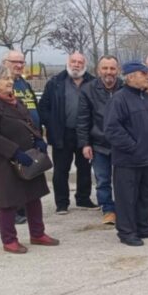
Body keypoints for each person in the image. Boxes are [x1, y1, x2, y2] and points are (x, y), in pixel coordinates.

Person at [0, 67, 59, 254]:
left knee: (33, 196)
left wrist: (38, 139)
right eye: (5, 79)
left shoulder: (16, 101)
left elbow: (29, 122)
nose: (10, 81)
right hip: (5, 161)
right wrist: (15, 152)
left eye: (10, 78)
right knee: (8, 201)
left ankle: (37, 233)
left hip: (29, 157)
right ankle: (9, 240)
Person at [104, 61, 148, 246]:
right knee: (127, 198)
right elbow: (112, 129)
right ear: (131, 76)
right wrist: (133, 146)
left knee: (146, 195)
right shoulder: (119, 99)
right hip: (128, 159)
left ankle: (145, 227)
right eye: (143, 73)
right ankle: (127, 232)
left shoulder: (147, 98)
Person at [0, 49, 39, 225]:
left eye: (21, 62)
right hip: (8, 148)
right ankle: (12, 221)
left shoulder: (24, 84)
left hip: (27, 144)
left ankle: (34, 228)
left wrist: (37, 134)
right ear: (5, 63)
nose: (19, 65)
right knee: (9, 189)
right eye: (14, 62)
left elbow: (31, 108)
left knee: (30, 187)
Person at [38, 51, 95, 214]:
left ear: (85, 65)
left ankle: (83, 199)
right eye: (73, 61)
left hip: (85, 134)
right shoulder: (55, 82)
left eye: (80, 62)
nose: (76, 65)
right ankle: (62, 203)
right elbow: (44, 107)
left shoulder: (92, 82)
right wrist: (53, 124)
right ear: (68, 63)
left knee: (84, 168)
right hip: (61, 134)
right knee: (61, 170)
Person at [78, 55, 123, 226]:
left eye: (112, 68)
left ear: (117, 70)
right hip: (98, 144)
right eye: (105, 68)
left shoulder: (125, 88)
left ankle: (123, 208)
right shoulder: (88, 90)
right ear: (98, 70)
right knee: (103, 180)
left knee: (122, 180)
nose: (108, 72)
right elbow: (83, 119)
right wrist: (85, 144)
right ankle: (108, 210)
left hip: (121, 144)